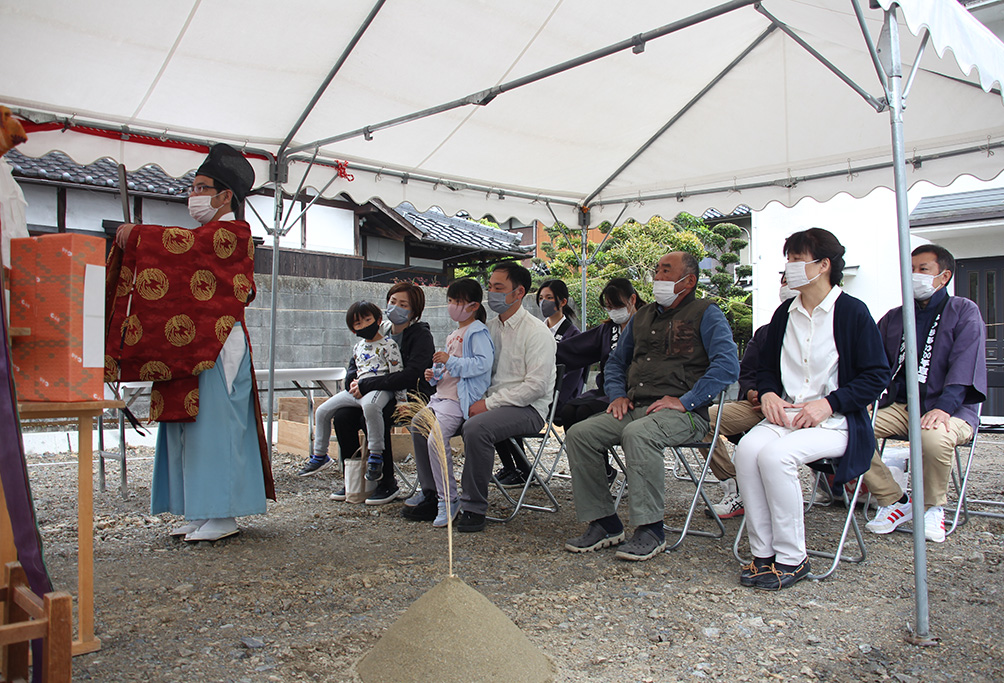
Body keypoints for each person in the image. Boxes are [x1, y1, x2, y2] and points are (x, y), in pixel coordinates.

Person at [108, 143, 274, 542]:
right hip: (192, 341)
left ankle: (224, 513)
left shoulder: (233, 233)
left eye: (201, 187)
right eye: (193, 187)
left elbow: (185, 249)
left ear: (225, 196)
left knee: (218, 426)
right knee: (190, 428)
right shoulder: (207, 234)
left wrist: (141, 237)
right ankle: (198, 508)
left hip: (217, 343)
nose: (193, 195)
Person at [734, 228, 889, 590]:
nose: (789, 267)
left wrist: (829, 404)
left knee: (775, 457)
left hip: (835, 421)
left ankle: (792, 558)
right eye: (788, 259)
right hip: (787, 415)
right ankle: (763, 554)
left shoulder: (852, 312)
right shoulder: (784, 313)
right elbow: (767, 369)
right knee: (747, 451)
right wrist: (769, 394)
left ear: (823, 265)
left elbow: (876, 374)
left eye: (798, 260)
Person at [563, 252, 740, 562]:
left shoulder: (706, 313)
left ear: (689, 281)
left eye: (666, 271)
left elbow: (727, 366)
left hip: (685, 414)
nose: (658, 277)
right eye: (657, 270)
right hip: (636, 406)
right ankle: (605, 522)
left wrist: (686, 401)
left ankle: (650, 529)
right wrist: (617, 394)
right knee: (581, 434)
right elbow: (617, 361)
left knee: (638, 434)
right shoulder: (642, 317)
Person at [864, 244, 987, 543]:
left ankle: (932, 507)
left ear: (943, 276)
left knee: (932, 437)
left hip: (952, 408)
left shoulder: (963, 310)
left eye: (923, 270)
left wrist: (944, 407)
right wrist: (865, 396)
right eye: (911, 269)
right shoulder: (895, 317)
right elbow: (873, 363)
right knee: (848, 428)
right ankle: (894, 499)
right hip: (900, 405)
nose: (914, 275)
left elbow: (964, 364)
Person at [304, 281, 435, 507]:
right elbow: (355, 363)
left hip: (409, 397)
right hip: (373, 392)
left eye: (403, 304)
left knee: (376, 413)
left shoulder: (420, 335)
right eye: (393, 301)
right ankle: (353, 479)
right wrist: (353, 384)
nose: (396, 307)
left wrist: (368, 384)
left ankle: (386, 482)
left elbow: (411, 374)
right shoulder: (377, 329)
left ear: (414, 311)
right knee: (343, 416)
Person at [453, 262, 557, 532]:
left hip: (527, 409)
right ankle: (436, 497)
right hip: (486, 402)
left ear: (519, 292)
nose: (492, 293)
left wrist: (487, 404)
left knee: (476, 428)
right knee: (424, 421)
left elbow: (535, 387)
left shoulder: (537, 333)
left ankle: (473, 507)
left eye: (499, 288)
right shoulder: (485, 328)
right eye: (490, 287)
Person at [703, 275, 795, 520]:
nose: (786, 286)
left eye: (791, 280)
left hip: (807, 408)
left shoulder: (835, 325)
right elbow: (748, 370)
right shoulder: (766, 332)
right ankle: (735, 485)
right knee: (699, 418)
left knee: (853, 430)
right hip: (758, 406)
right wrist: (756, 392)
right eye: (784, 281)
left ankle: (887, 494)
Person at [408, 278, 494, 527]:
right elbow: (447, 368)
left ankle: (448, 500)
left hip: (459, 400)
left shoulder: (477, 331)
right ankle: (431, 491)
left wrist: (450, 361)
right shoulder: (453, 334)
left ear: (474, 305)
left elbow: (482, 364)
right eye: (451, 301)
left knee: (436, 439)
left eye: (459, 301)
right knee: (417, 425)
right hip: (441, 397)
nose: (453, 306)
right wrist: (434, 374)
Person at [494, 278, 582, 488]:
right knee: (496, 408)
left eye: (549, 298)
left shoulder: (573, 335)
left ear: (563, 301)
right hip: (529, 391)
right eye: (541, 298)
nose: (544, 303)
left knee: (507, 413)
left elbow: (572, 378)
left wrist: (552, 398)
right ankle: (512, 467)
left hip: (554, 399)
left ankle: (523, 470)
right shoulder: (536, 330)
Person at [556, 278, 643, 483]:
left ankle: (600, 471)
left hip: (635, 392)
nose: (613, 311)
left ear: (633, 300)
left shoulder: (648, 325)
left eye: (618, 306)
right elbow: (575, 348)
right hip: (607, 390)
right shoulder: (608, 330)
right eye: (609, 307)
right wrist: (544, 351)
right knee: (569, 410)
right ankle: (600, 468)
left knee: (587, 412)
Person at [311, 301, 403, 481]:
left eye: (368, 320)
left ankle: (376, 455)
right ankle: (320, 455)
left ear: (378, 320)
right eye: (358, 323)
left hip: (380, 388)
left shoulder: (389, 345)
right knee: (322, 410)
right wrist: (353, 384)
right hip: (358, 389)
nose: (364, 325)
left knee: (370, 407)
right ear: (353, 329)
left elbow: (396, 372)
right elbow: (355, 370)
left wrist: (402, 400)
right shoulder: (358, 347)